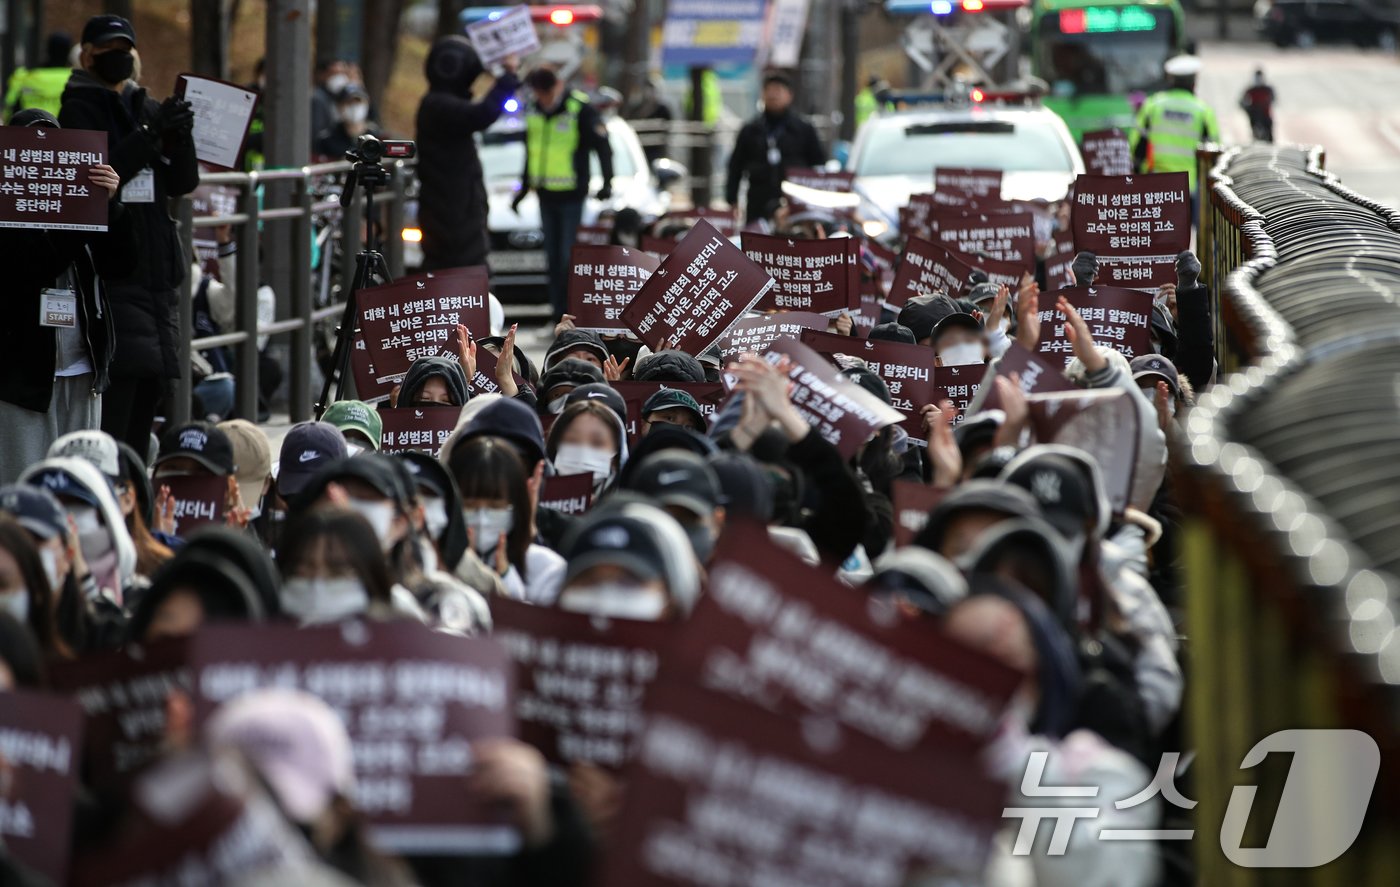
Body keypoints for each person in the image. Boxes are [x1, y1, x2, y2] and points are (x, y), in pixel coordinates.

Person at [59, 14, 200, 456]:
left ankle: (134, 495)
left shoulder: (145, 104)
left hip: (158, 277)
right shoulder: (78, 107)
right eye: (109, 50)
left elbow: (182, 182)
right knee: (117, 414)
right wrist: (149, 136)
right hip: (117, 271)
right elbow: (98, 177)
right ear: (87, 55)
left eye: (126, 49)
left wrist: (180, 134)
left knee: (146, 407)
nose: (119, 58)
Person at [0, 109, 134, 484]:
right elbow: (35, 263)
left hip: (83, 373)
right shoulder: (6, 211)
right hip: (23, 384)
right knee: (23, 487)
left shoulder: (88, 205)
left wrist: (111, 207)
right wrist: (81, 215)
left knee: (81, 486)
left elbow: (124, 266)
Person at [514, 67, 614, 319]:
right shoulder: (534, 110)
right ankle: (557, 315)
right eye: (538, 93)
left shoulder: (579, 109)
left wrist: (607, 182)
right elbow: (532, 152)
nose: (543, 99)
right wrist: (523, 189)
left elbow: (603, 146)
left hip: (571, 196)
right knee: (552, 259)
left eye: (546, 93)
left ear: (557, 86)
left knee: (566, 260)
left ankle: (570, 314)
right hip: (545, 195)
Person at [416, 36, 520, 271]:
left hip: (456, 211)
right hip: (452, 218)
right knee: (462, 278)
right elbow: (481, 114)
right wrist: (507, 77)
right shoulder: (438, 105)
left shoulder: (438, 103)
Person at [446, 436, 565, 604]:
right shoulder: (432, 565)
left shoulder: (546, 569)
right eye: (470, 506)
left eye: (495, 507)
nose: (482, 519)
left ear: (517, 506)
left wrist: (507, 583)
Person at [725, 71, 827, 224]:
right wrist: (732, 199)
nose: (773, 95)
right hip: (758, 201)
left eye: (778, 90)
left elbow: (818, 164)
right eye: (769, 90)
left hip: (794, 203)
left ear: (789, 95)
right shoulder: (751, 129)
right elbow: (735, 166)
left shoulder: (804, 129)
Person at [1130, 55, 1219, 208]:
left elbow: (1136, 145)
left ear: (1170, 79)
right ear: (1194, 83)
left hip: (1155, 184)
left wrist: (1138, 175)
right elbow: (1214, 151)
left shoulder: (1152, 105)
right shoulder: (1203, 111)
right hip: (1189, 188)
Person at [2, 32, 73, 121]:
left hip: (27, 131)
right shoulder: (74, 78)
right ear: (69, 52)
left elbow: (9, 107)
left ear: (47, 50)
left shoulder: (23, 77)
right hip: (63, 133)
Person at [313, 83, 377, 160]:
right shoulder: (326, 141)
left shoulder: (376, 138)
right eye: (349, 103)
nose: (354, 107)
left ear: (367, 104)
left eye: (358, 102)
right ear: (339, 106)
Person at [1240, 67, 1275, 143]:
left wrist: (1266, 104)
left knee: (1269, 135)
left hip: (1266, 115)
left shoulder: (1267, 89)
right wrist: (1248, 109)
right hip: (1254, 115)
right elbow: (1241, 102)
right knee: (1255, 133)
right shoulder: (1250, 90)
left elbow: (1273, 99)